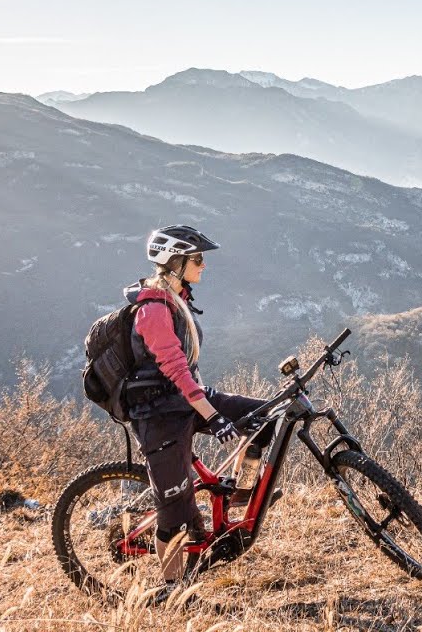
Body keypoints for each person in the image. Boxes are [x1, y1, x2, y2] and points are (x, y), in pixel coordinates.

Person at [122, 224, 270, 597]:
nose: (204, 265)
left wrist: (213, 409)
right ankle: (170, 590)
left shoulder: (177, 298)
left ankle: (238, 495)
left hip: (185, 400)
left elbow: (185, 375)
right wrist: (213, 415)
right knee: (174, 511)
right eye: (197, 259)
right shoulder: (153, 308)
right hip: (159, 415)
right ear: (174, 262)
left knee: (264, 418)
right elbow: (175, 368)